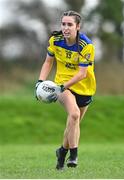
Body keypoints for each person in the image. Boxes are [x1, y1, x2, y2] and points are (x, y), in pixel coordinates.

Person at [35, 10, 96, 170]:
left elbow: (82, 74)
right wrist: (40, 82)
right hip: (61, 84)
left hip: (84, 87)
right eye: (63, 24)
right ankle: (73, 155)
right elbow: (48, 62)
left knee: (73, 124)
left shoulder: (86, 45)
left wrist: (63, 86)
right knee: (74, 114)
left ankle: (62, 152)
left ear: (78, 26)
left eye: (70, 24)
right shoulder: (55, 40)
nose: (66, 28)